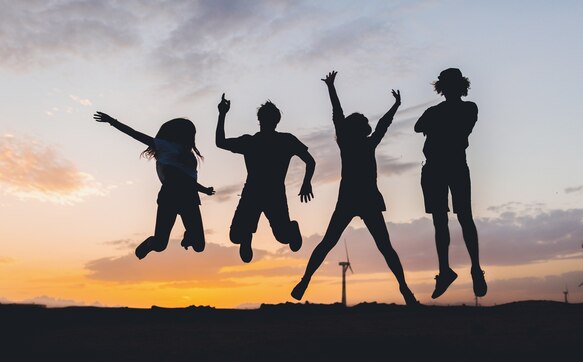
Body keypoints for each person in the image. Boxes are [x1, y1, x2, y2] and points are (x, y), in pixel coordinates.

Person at [291, 71, 417, 305]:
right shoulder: (358, 143)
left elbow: (376, 123)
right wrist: (331, 88)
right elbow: (345, 116)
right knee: (379, 247)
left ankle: (305, 281)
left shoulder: (354, 143)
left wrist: (395, 106)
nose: (367, 126)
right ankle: (405, 289)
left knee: (338, 243)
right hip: (358, 199)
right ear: (359, 128)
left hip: (356, 199)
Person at [93, 112, 215, 260]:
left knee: (199, 246)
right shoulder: (165, 146)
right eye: (191, 133)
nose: (193, 136)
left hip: (189, 198)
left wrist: (204, 190)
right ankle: (151, 243)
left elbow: (188, 180)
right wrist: (112, 121)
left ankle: (188, 236)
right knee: (160, 244)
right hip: (169, 196)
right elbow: (134, 134)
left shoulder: (190, 156)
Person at [414, 68, 487, 299]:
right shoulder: (449, 110)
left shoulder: (467, 108)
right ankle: (446, 271)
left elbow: (426, 126)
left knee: (461, 218)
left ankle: (474, 268)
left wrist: (436, 126)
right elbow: (418, 126)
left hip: (451, 165)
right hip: (438, 167)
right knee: (443, 220)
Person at [215, 94, 315, 263]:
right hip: (254, 194)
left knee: (283, 237)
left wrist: (222, 113)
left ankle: (290, 227)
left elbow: (220, 142)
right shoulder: (256, 141)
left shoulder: (283, 140)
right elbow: (310, 161)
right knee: (236, 236)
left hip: (272, 195)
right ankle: (247, 236)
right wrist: (306, 183)